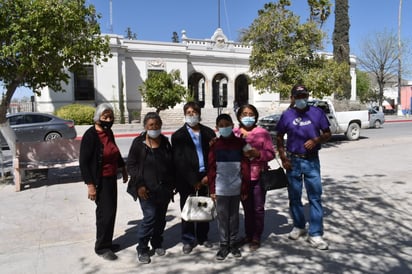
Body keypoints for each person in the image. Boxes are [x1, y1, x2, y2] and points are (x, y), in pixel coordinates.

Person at [275, 84, 331, 250]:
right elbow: (278, 136)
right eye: (298, 97)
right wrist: (283, 157)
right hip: (293, 161)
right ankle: (299, 226)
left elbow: (328, 133)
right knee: (294, 197)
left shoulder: (317, 113)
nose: (301, 99)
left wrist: (316, 140)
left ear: (307, 96)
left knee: (315, 197)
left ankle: (315, 234)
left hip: (312, 161)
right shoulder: (287, 115)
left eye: (304, 96)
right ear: (292, 98)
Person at [79, 103, 128, 261]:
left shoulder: (108, 132)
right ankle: (101, 247)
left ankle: (107, 242)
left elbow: (115, 151)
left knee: (111, 211)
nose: (108, 119)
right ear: (98, 117)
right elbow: (84, 162)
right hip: (99, 181)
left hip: (111, 177)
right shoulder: (90, 135)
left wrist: (123, 168)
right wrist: (90, 185)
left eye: (110, 117)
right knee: (104, 214)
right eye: (105, 117)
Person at [127, 112, 175, 264]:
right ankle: (142, 248)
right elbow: (131, 165)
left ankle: (157, 242)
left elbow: (171, 164)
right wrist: (139, 185)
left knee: (160, 219)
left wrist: (172, 184)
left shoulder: (166, 142)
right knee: (150, 217)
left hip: (164, 189)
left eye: (157, 125)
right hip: (145, 190)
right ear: (145, 127)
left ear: (161, 125)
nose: (154, 128)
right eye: (151, 125)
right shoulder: (138, 143)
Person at [171, 102, 216, 254]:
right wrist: (193, 181)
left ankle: (203, 236)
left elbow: (214, 157)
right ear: (184, 114)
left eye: (194, 112)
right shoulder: (178, 136)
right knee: (188, 209)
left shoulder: (209, 133)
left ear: (199, 113)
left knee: (204, 207)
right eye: (188, 112)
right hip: (187, 179)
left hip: (205, 177)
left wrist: (207, 177)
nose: (191, 115)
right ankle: (188, 239)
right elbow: (179, 161)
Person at [233, 104, 276, 251]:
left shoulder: (263, 133)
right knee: (246, 208)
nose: (248, 117)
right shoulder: (234, 133)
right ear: (239, 116)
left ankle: (256, 236)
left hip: (258, 176)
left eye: (251, 114)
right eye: (244, 114)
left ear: (256, 116)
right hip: (240, 177)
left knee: (257, 208)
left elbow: (271, 153)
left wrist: (258, 154)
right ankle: (248, 234)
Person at [208, 114, 250, 260]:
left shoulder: (240, 143)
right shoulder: (215, 145)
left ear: (233, 125)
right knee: (222, 217)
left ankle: (233, 244)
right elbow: (211, 169)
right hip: (220, 189)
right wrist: (212, 190)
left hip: (236, 187)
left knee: (234, 217)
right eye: (221, 125)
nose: (224, 127)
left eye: (227, 124)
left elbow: (245, 166)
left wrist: (244, 188)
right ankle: (224, 245)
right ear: (217, 128)